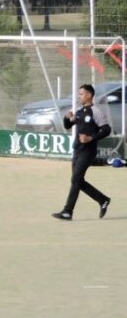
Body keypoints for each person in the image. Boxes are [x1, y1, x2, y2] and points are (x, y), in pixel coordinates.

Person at [52, 83, 111, 221]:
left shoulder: (95, 111)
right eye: (79, 94)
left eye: (81, 94)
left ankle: (67, 211)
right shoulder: (79, 111)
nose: (79, 96)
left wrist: (91, 138)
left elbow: (106, 129)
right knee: (77, 180)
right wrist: (67, 118)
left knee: (76, 179)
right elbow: (68, 126)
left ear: (89, 95)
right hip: (77, 151)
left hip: (88, 151)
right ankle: (103, 200)